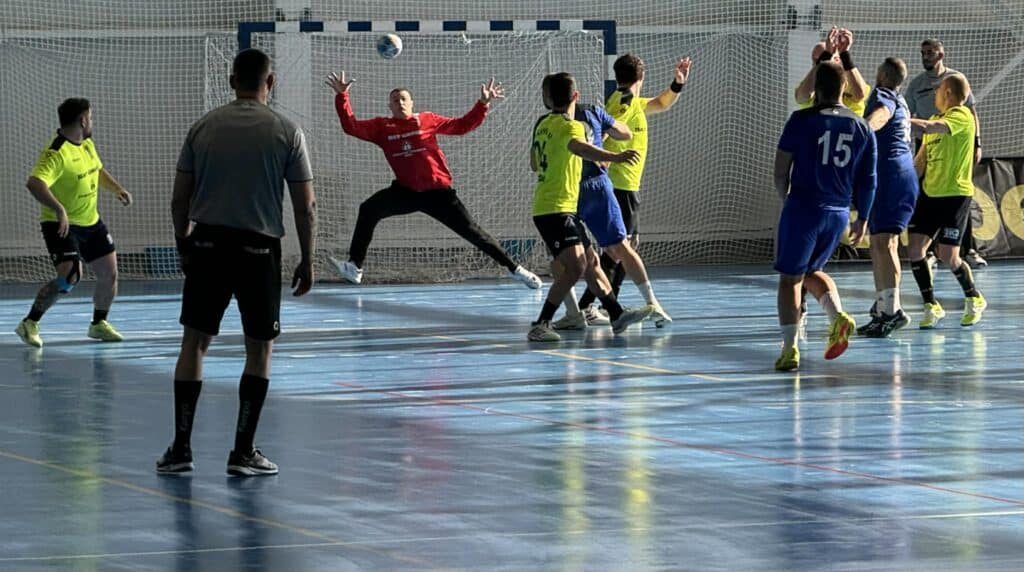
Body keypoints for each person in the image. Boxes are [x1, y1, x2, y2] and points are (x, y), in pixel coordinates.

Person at [158, 48, 317, 476]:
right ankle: (243, 452)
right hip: (258, 250)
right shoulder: (287, 131)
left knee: (194, 344)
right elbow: (305, 206)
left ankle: (181, 448)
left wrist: (183, 243)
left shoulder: (203, 127)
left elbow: (179, 199)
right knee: (259, 348)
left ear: (232, 82)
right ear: (271, 82)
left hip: (208, 245)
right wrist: (307, 258)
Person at [324, 71, 542, 289]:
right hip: (406, 192)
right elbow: (351, 126)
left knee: (474, 232)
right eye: (395, 100)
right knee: (368, 209)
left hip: (438, 194)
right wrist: (342, 96)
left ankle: (516, 269)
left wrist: (483, 104)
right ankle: (354, 267)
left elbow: (462, 125)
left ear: (412, 103)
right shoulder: (382, 127)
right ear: (389, 106)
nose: (400, 103)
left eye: (404, 99)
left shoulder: (427, 120)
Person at [534, 77, 671, 331]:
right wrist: (614, 154)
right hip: (577, 196)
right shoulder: (583, 119)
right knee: (599, 256)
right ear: (575, 95)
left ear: (548, 98)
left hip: (566, 199)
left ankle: (604, 313)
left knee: (583, 261)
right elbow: (586, 146)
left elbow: (535, 163)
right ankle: (543, 323)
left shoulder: (543, 124)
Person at [773, 62, 877, 371]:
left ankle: (789, 349)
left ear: (816, 89)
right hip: (839, 213)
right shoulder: (862, 126)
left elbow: (780, 170)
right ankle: (837, 316)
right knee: (811, 271)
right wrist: (863, 218)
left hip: (804, 207)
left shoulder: (801, 119)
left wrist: (788, 201)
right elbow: (869, 180)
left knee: (790, 279)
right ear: (844, 88)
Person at [575, 54, 692, 324]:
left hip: (628, 184)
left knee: (623, 247)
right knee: (620, 248)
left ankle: (595, 306)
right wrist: (602, 156)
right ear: (642, 76)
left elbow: (661, 103)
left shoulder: (632, 101)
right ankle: (596, 306)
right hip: (620, 184)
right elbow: (604, 130)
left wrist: (677, 83)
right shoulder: (623, 103)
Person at [14, 98, 132, 348]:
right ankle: (30, 322)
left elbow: (97, 170)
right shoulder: (56, 152)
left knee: (109, 273)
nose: (92, 122)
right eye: (91, 117)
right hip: (61, 223)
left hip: (91, 221)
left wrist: (117, 189)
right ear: (83, 120)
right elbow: (34, 183)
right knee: (70, 276)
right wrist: (59, 209)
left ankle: (98, 323)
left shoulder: (86, 144)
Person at [907, 74, 985, 329]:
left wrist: (901, 119)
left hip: (955, 195)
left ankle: (974, 297)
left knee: (948, 255)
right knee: (915, 249)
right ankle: (931, 305)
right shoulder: (933, 120)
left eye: (938, 90)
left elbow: (933, 128)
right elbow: (920, 162)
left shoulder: (962, 116)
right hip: (930, 195)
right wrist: (904, 184)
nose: (935, 96)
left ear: (949, 92)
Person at [906, 38, 987, 269]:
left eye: (930, 52)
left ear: (940, 55)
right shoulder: (917, 84)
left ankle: (966, 249)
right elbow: (910, 114)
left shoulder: (956, 81)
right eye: (923, 53)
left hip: (952, 140)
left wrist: (977, 143)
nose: (925, 56)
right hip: (928, 140)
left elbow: (971, 113)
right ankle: (929, 251)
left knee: (957, 196)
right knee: (927, 195)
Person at [856, 58, 919, 338]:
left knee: (886, 243)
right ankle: (884, 308)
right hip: (897, 175)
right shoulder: (901, 99)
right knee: (880, 243)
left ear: (882, 74)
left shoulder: (883, 95)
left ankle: (893, 310)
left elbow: (881, 114)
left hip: (891, 175)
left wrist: (863, 128)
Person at [795, 27, 871, 116]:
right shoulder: (810, 85)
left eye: (824, 58)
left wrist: (845, 55)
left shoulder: (850, 82)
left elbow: (860, 94)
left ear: (838, 60)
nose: (818, 64)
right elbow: (802, 97)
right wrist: (826, 57)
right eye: (816, 60)